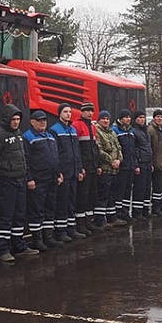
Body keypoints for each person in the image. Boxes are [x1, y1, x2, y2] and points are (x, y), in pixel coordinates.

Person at [0, 104, 39, 261]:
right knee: (5, 216)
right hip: (6, 181)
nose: (16, 122)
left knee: (19, 215)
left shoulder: (18, 133)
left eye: (18, 119)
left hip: (20, 179)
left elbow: (22, 156)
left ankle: (19, 246)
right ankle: (2, 249)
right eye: (13, 119)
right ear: (6, 119)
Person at [23, 110, 64, 250]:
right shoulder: (28, 137)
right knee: (37, 210)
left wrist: (58, 174)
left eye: (44, 120)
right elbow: (26, 160)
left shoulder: (50, 136)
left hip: (51, 179)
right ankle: (37, 239)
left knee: (49, 209)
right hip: (38, 180)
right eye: (39, 120)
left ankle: (48, 237)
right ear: (32, 122)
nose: (42, 123)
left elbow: (56, 157)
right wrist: (29, 178)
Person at [49, 103, 87, 241]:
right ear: (59, 113)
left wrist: (79, 168)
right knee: (62, 203)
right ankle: (60, 231)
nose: (68, 114)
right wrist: (58, 172)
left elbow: (77, 152)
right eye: (65, 111)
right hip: (64, 173)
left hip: (73, 172)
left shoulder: (72, 130)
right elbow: (55, 154)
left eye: (70, 111)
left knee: (72, 201)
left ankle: (71, 229)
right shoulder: (54, 130)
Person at [72, 102, 101, 233]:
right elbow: (76, 149)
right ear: (82, 112)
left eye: (92, 111)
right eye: (88, 111)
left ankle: (89, 221)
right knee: (82, 196)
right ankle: (80, 224)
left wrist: (97, 165)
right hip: (84, 167)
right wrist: (80, 167)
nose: (90, 113)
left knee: (91, 195)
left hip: (93, 166)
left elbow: (95, 148)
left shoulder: (92, 127)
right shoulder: (77, 125)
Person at [94, 110, 124, 226]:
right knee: (103, 195)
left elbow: (119, 148)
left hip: (115, 169)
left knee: (112, 194)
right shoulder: (97, 132)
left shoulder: (112, 132)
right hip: (105, 168)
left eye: (107, 119)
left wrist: (119, 160)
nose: (106, 121)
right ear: (99, 120)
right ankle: (100, 220)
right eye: (103, 119)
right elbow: (99, 150)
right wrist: (111, 161)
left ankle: (112, 217)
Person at [112, 109, 138, 221]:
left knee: (128, 190)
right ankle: (118, 213)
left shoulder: (130, 131)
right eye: (126, 117)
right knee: (120, 191)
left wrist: (135, 164)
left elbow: (133, 149)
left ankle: (125, 212)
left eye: (129, 117)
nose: (128, 119)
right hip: (122, 166)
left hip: (130, 165)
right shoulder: (115, 130)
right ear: (121, 118)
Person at [131, 111, 153, 219]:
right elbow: (134, 150)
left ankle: (145, 210)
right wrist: (136, 165)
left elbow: (148, 147)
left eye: (144, 117)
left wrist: (151, 162)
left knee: (147, 188)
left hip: (147, 162)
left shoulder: (145, 131)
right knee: (139, 188)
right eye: (140, 117)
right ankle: (137, 211)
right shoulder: (134, 131)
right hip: (140, 163)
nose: (142, 120)